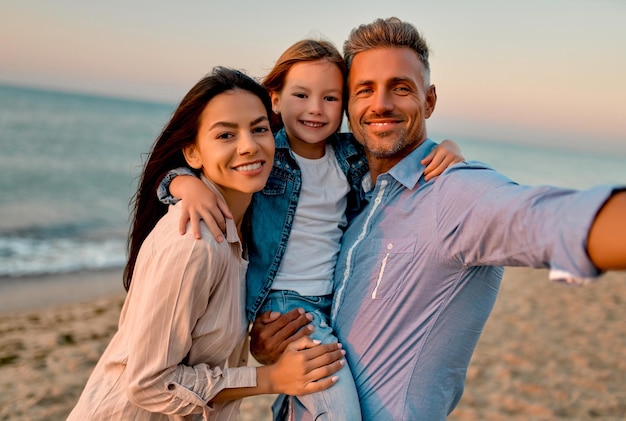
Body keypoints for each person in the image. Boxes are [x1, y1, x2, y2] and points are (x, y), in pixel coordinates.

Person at [248, 17, 626, 420]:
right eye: (364, 90)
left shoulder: (455, 193)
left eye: (401, 88)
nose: (381, 104)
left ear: (428, 101)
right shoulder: (354, 197)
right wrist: (267, 344)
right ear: (349, 105)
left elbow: (548, 219)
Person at [156, 40, 464, 420]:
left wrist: (445, 147)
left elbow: (399, 158)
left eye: (331, 98)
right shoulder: (267, 153)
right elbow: (204, 167)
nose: (315, 109)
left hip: (336, 302)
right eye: (301, 95)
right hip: (289, 307)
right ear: (275, 99)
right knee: (337, 411)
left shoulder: (349, 156)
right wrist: (183, 184)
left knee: (304, 403)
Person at [67, 67, 345, 421]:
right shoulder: (195, 242)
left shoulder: (247, 229)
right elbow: (149, 383)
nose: (249, 145)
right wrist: (271, 378)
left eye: (259, 129)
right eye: (226, 135)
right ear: (194, 153)